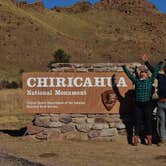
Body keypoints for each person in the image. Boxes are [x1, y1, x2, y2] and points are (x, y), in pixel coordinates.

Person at [122, 62, 163, 145]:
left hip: (147, 104)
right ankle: (136, 138)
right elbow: (129, 76)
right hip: (138, 105)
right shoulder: (136, 81)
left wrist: (159, 65)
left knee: (148, 121)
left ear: (147, 75)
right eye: (142, 73)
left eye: (144, 73)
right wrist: (124, 68)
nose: (143, 74)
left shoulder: (150, 81)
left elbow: (155, 73)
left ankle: (149, 139)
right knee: (137, 121)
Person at [142, 54, 166, 145]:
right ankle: (163, 140)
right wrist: (146, 62)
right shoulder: (161, 77)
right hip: (160, 103)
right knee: (161, 122)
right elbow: (153, 70)